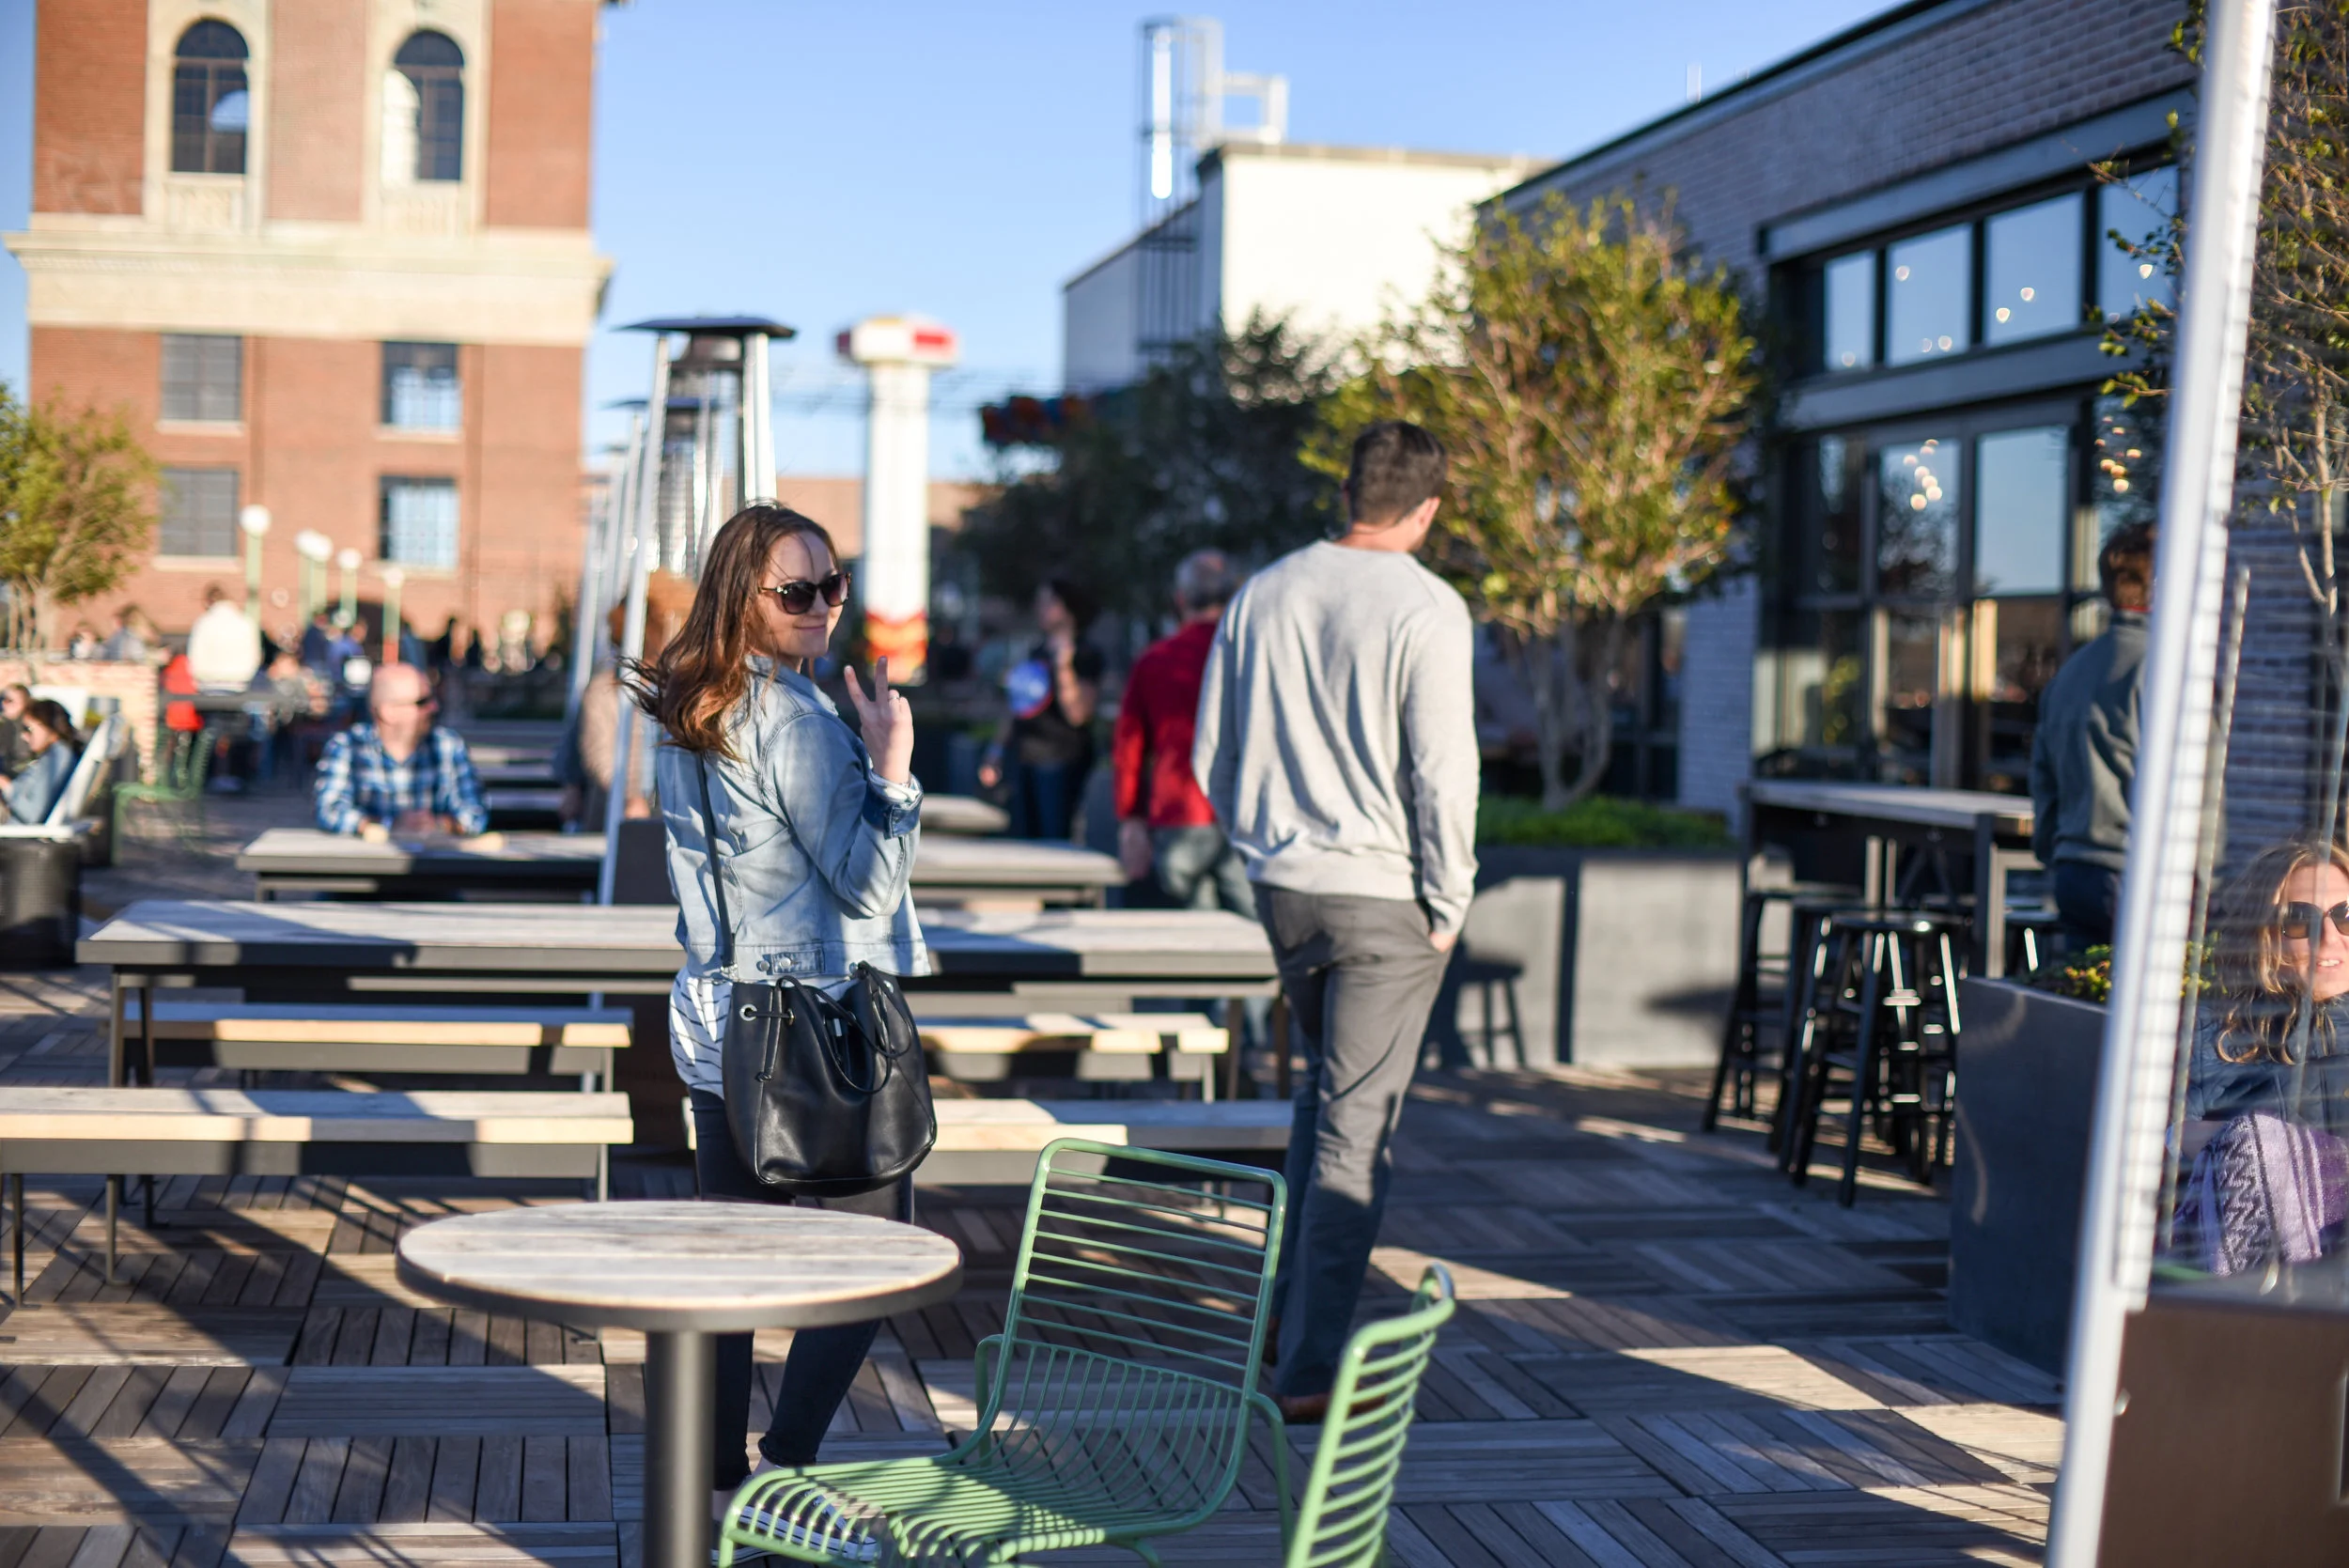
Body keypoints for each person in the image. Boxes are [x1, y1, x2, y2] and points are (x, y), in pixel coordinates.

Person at [627, 503, 925, 1514]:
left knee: (734, 1260)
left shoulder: (689, 703)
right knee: (881, 1256)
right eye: (795, 590)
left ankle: (715, 1484)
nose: (821, 606)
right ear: (742, 598)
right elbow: (866, 887)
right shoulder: (794, 718)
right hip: (803, 1022)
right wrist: (891, 769)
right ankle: (785, 1465)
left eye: (832, 585)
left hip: (715, 1014)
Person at [1194, 420, 1479, 1423]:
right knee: (1355, 1134)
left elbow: (1213, 753)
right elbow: (1442, 771)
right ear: (1427, 508)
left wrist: (1259, 846)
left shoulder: (1263, 592)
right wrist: (1450, 899)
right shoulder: (1427, 606)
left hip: (1287, 887)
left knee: (1323, 1105)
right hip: (1384, 897)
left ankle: (1285, 1320)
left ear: (1349, 491)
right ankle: (1310, 1370)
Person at [2176, 838, 2349, 1277]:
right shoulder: (2220, 1033)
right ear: (2263, 933)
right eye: (2299, 920)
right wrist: (2268, 1148)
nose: (2331, 937)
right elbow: (2174, 1138)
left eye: (2346, 916)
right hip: (2263, 1282)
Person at [2029, 522, 2155, 950]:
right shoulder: (2161, 669)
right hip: (2137, 872)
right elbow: (2202, 783)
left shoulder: (2071, 673)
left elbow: (2043, 780)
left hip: (2075, 871)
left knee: (2084, 990)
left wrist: (2054, 850)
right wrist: (2219, 881)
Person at [1112, 550, 1250, 912]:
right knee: (1253, 930)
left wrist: (1131, 819)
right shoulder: (1250, 658)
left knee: (1192, 932)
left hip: (1179, 811)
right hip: (1244, 812)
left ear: (1180, 599)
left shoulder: (1155, 660)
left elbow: (1128, 748)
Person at [559, 572, 693, 829]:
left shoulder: (683, 689)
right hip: (616, 819)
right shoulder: (606, 690)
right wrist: (629, 797)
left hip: (673, 818)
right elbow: (600, 757)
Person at [978, 579, 1101, 840]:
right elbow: (1015, 707)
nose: (1040, 609)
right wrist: (996, 752)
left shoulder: (1085, 654)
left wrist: (1064, 667)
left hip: (1060, 761)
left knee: (1055, 840)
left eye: (1048, 602)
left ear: (1068, 608)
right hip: (1025, 758)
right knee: (1026, 840)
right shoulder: (1035, 653)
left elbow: (1078, 714)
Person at [313, 662, 487, 839]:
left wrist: (439, 824)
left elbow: (475, 814)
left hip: (437, 855)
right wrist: (389, 825)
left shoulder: (447, 746)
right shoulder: (348, 746)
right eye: (422, 702)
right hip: (366, 856)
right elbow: (329, 811)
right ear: (388, 712)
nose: (434, 707)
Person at [2, 700, 82, 825]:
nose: (24, 736)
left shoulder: (57, 758)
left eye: (28, 729)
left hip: (17, 833)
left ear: (48, 727)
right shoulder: (53, 755)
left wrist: (7, 787)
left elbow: (32, 813)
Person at [187, 584, 263, 692]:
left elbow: (195, 656)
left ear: (207, 602)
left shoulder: (203, 623)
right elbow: (255, 656)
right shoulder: (246, 622)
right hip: (240, 684)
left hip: (208, 684)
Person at [0, 683, 31, 779]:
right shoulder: (4, 723)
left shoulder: (29, 729)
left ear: (24, 703)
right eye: (3, 699)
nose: (4, 703)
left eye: (10, 700)